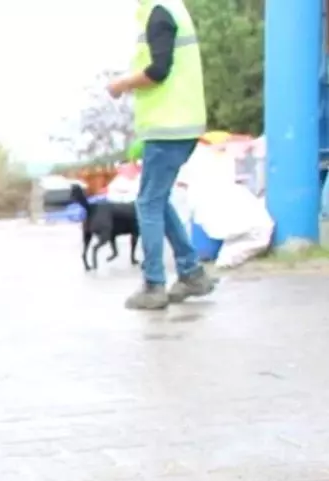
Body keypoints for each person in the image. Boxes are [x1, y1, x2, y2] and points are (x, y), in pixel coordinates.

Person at [107, 0, 218, 311]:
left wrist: (122, 84)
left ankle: (154, 285)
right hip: (179, 124)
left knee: (148, 203)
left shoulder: (159, 12)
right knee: (156, 199)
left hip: (169, 125)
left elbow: (158, 70)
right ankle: (192, 273)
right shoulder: (171, 8)